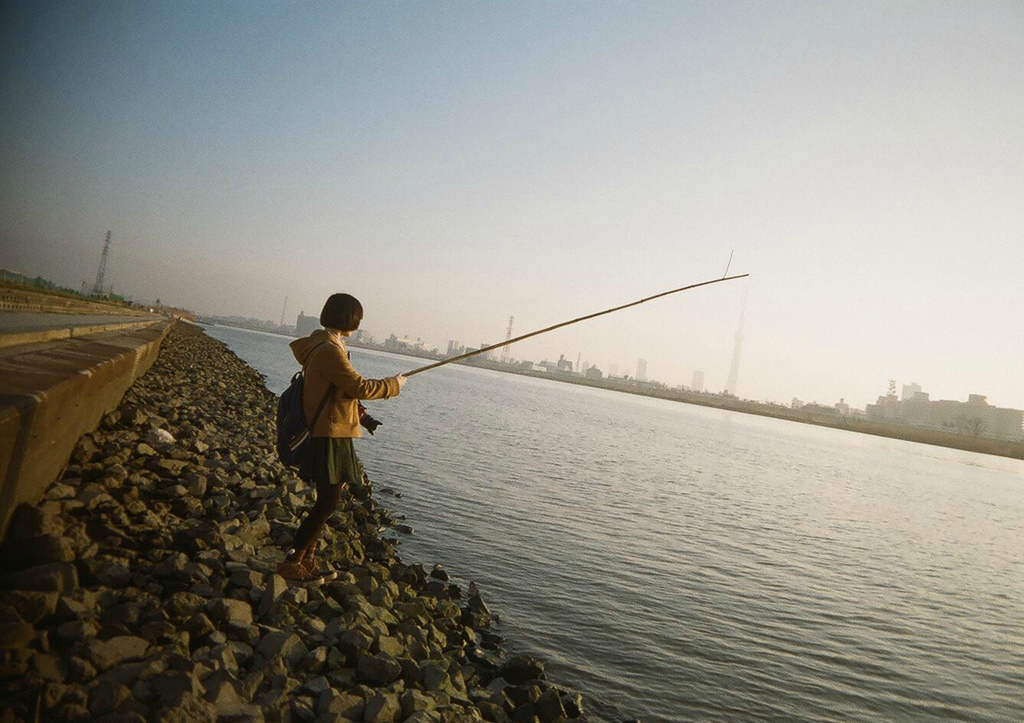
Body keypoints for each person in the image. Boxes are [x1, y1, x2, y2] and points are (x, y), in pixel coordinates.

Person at [277, 293, 406, 585]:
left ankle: (306, 559)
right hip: (328, 434)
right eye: (356, 318)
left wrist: (363, 417)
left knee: (328, 500)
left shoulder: (330, 345)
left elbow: (338, 391)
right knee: (328, 502)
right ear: (349, 319)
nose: (358, 324)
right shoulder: (328, 350)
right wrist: (394, 385)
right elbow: (358, 386)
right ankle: (292, 562)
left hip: (336, 430)